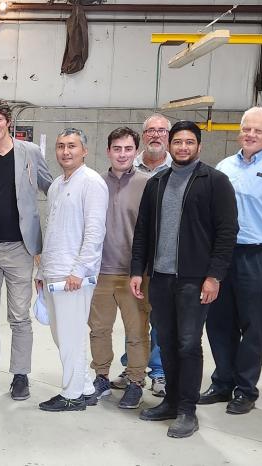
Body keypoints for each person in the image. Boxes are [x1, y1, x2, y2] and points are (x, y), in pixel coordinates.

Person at [129, 121, 238, 438]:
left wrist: (214, 276)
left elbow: (227, 234)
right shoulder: (157, 182)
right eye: (178, 142)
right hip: (161, 278)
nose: (183, 147)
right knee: (167, 342)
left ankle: (188, 411)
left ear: (199, 147)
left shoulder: (215, 182)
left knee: (189, 344)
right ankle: (171, 402)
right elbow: (142, 232)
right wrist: (138, 269)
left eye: (189, 142)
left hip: (194, 279)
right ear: (169, 146)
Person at [202, 107, 262, 414]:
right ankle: (222, 382)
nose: (251, 135)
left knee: (252, 325)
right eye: (246, 129)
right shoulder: (224, 167)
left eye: (258, 131)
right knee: (218, 323)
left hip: (258, 255)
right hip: (222, 255)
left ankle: (245, 389)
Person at [0, 99, 53, 400]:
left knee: (18, 316)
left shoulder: (30, 152)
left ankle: (20, 374)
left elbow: (50, 187)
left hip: (19, 247)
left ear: (8, 122)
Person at [37, 128, 108, 413]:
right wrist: (41, 274)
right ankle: (87, 387)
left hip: (74, 276)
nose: (66, 152)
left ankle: (72, 394)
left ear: (85, 151)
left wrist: (79, 271)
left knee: (69, 336)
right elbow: (53, 231)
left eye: (72, 146)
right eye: (60, 146)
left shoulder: (91, 182)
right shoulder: (56, 184)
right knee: (64, 336)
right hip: (53, 272)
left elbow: (94, 231)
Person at [88, 127, 152, 410]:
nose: (122, 154)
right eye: (117, 148)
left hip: (134, 274)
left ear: (135, 152)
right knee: (99, 330)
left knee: (136, 331)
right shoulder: (95, 183)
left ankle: (136, 381)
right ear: (108, 151)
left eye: (128, 149)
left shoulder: (148, 183)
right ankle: (101, 377)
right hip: (100, 271)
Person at [115, 113, 174, 397]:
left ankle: (159, 371)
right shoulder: (127, 166)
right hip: (131, 258)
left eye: (161, 131)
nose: (156, 135)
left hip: (162, 258)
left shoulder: (178, 170)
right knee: (134, 319)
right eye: (150, 130)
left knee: (160, 319)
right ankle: (132, 367)